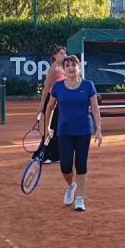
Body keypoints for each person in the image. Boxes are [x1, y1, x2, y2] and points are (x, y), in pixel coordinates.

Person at [45, 55, 102, 211]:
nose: (71, 67)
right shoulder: (57, 87)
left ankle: (79, 198)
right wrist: (48, 127)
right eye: (67, 65)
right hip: (64, 130)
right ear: (64, 69)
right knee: (65, 166)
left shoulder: (88, 85)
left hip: (84, 130)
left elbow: (95, 108)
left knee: (81, 164)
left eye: (73, 65)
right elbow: (50, 107)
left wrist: (98, 128)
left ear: (79, 68)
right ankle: (71, 185)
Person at [34, 45, 67, 163]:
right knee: (50, 128)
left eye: (65, 53)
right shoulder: (54, 69)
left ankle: (55, 155)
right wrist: (42, 104)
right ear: (55, 56)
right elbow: (46, 88)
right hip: (50, 100)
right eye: (61, 53)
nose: (64, 55)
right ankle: (44, 155)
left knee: (57, 128)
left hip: (59, 101)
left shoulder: (63, 68)